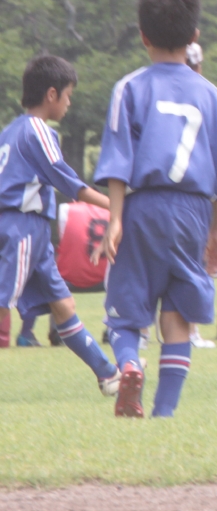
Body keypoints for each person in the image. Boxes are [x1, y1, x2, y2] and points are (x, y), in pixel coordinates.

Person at [95, 0, 217, 418]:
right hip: (194, 211)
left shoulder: (129, 88)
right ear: (194, 36)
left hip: (143, 206)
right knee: (179, 310)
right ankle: (164, 413)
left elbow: (118, 160)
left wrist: (115, 219)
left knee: (126, 312)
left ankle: (129, 364)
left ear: (142, 35)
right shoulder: (213, 96)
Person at [0, 55, 119, 395]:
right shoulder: (38, 130)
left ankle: (108, 375)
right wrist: (117, 207)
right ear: (51, 94)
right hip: (21, 226)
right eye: (68, 95)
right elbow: (71, 185)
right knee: (2, 304)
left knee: (64, 305)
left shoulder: (11, 129)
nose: (69, 103)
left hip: (33, 230)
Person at [184, 41, 216, 349]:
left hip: (148, 194)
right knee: (191, 267)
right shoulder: (210, 95)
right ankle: (191, 332)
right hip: (194, 196)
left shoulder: (143, 88)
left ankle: (138, 335)